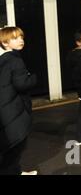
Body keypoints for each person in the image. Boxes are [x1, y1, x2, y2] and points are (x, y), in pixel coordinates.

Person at [0, 27, 38, 175]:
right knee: (16, 146)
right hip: (13, 109)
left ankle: (17, 172)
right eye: (15, 38)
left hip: (5, 109)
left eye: (21, 37)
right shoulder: (16, 61)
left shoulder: (3, 60)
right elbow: (22, 84)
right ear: (5, 43)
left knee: (10, 146)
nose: (21, 40)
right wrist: (33, 77)